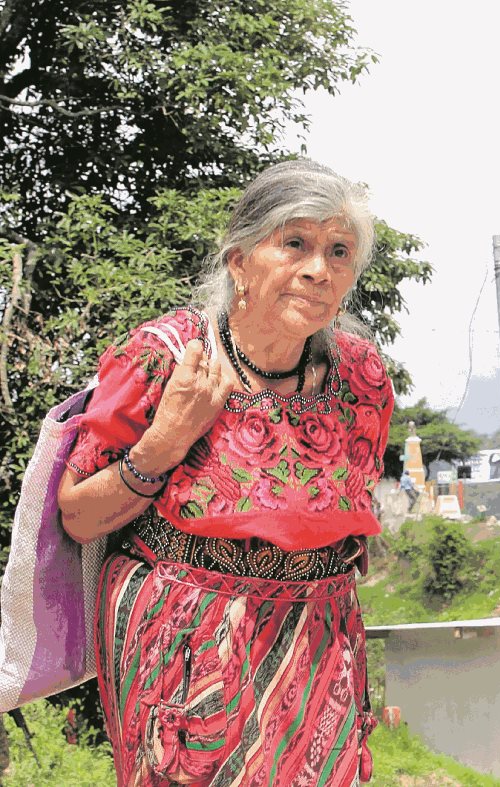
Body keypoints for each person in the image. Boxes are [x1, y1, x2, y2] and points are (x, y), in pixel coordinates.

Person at [57, 159, 392, 784]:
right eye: (295, 243)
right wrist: (167, 440)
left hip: (318, 639)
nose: (318, 270)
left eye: (339, 252)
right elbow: (77, 516)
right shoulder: (163, 356)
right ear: (240, 258)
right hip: (186, 636)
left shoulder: (363, 377)